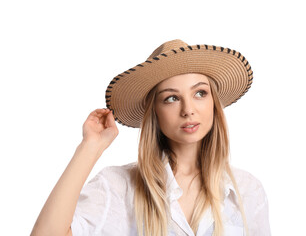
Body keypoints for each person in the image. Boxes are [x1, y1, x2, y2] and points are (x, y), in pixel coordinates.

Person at [31, 39, 271, 236]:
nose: (188, 109)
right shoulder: (118, 186)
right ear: (154, 110)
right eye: (171, 98)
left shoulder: (246, 190)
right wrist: (90, 147)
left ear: (213, 103)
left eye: (200, 93)